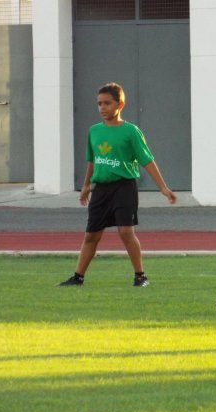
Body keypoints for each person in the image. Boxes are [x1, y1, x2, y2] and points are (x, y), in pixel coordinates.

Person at [59, 82, 176, 287]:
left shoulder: (131, 131)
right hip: (101, 189)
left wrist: (163, 188)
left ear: (120, 104)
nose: (102, 108)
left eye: (107, 103)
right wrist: (86, 185)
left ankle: (140, 276)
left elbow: (147, 160)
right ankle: (77, 277)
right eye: (99, 104)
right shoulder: (94, 131)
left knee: (125, 232)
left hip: (124, 187)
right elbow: (92, 160)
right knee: (91, 235)